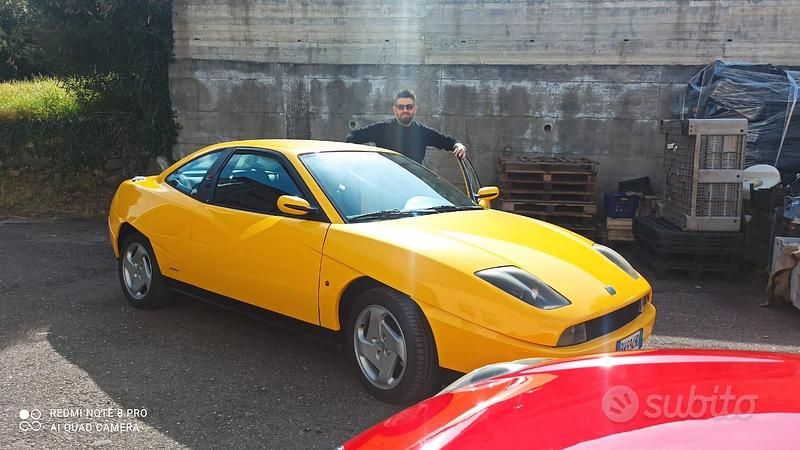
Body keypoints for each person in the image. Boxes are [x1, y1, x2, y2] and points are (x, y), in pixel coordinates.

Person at [345, 89, 467, 164]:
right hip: (385, 189)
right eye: (401, 107)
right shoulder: (381, 129)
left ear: (414, 109)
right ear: (395, 109)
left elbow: (447, 142)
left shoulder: (422, 132)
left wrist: (459, 146)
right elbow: (353, 136)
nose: (405, 110)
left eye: (409, 107)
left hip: (413, 189)